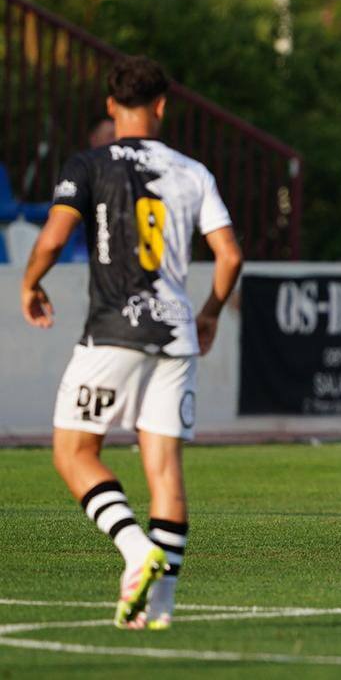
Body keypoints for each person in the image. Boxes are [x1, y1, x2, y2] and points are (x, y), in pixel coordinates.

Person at [19, 56, 243, 628]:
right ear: (162, 106)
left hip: (114, 331)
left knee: (73, 452)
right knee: (164, 471)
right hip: (175, 333)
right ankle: (159, 608)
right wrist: (211, 311)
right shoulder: (192, 171)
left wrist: (30, 282)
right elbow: (230, 255)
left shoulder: (90, 164)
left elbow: (53, 236)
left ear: (110, 105)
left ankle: (134, 550)